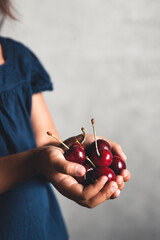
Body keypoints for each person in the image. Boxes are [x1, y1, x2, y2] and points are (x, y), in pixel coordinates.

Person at [0, 1, 131, 239]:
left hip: (41, 228)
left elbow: (46, 142)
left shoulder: (19, 60)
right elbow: (39, 157)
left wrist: (69, 148)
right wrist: (35, 161)